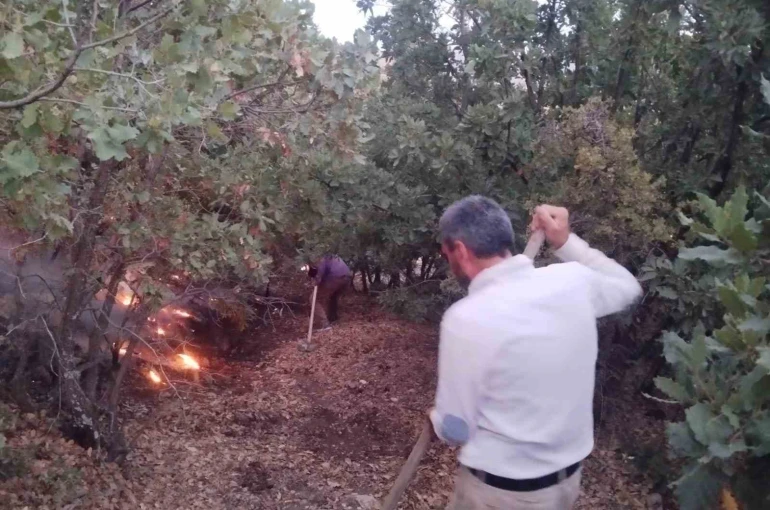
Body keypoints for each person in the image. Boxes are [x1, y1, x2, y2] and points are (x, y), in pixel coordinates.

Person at [430, 196, 642, 510]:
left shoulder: (467, 319)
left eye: (446, 252)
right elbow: (628, 288)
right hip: (565, 486)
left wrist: (438, 420)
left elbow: (456, 429)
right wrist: (566, 241)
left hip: (500, 498)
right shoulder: (573, 281)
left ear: (460, 251)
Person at [306, 254, 351, 331]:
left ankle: (325, 324)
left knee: (314, 298)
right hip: (347, 276)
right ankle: (333, 318)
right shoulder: (330, 253)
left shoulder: (321, 257)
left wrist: (315, 280)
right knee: (332, 295)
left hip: (335, 277)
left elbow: (318, 276)